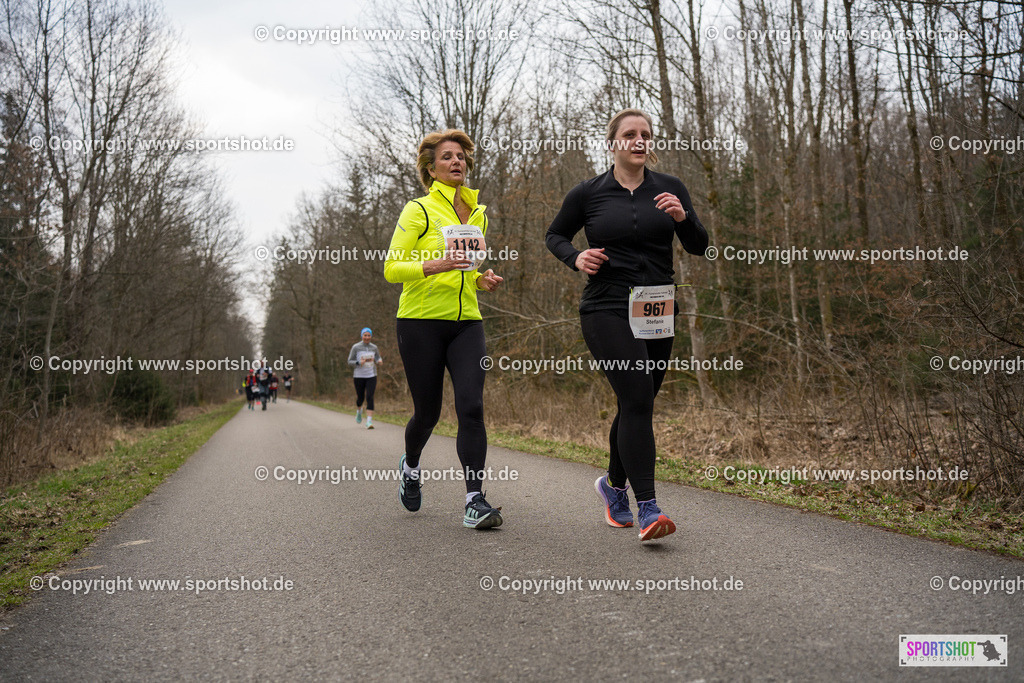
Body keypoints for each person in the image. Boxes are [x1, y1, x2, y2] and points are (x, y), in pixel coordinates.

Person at [545, 109, 708, 542]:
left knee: (637, 403)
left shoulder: (670, 188)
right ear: (613, 142)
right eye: (630, 134)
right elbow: (555, 234)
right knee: (636, 396)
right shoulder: (589, 192)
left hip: (657, 308)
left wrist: (682, 218)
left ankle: (612, 487)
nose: (639, 140)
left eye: (646, 135)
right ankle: (648, 508)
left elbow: (698, 245)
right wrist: (575, 257)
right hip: (606, 307)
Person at [384, 129, 505, 530]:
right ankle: (411, 466)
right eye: (447, 157)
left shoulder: (479, 214)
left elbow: (465, 272)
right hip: (420, 322)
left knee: (471, 406)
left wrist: (479, 280)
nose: (457, 162)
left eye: (461, 157)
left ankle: (475, 500)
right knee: (428, 413)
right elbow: (391, 269)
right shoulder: (417, 211)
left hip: (467, 322)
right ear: (431, 169)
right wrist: (433, 265)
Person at [347, 327, 382, 429]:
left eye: (369, 335)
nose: (367, 337)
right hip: (359, 376)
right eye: (365, 335)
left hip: (371, 375)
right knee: (360, 398)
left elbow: (377, 357)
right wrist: (358, 362)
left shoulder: (374, 347)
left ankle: (369, 422)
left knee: (370, 397)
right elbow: (349, 361)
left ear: (371, 336)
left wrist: (379, 361)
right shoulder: (356, 347)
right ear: (362, 336)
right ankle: (359, 411)